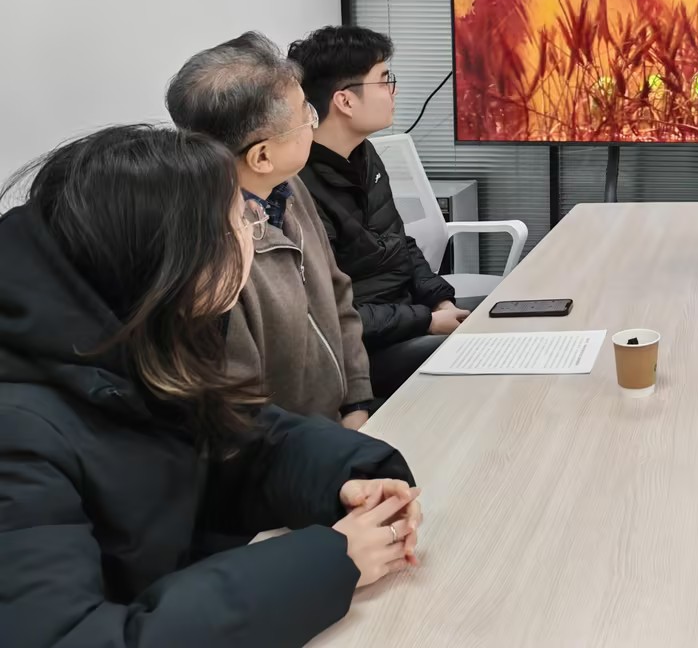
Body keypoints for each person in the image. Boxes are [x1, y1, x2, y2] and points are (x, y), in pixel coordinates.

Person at [0, 125, 423, 646]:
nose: (251, 231)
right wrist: (332, 562)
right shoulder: (18, 433)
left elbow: (243, 441)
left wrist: (351, 477)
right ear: (170, 257)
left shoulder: (133, 336)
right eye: (240, 219)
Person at [166, 32, 372, 426]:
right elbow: (243, 413)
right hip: (289, 445)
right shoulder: (215, 257)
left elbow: (338, 293)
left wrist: (357, 403)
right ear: (262, 156)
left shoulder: (287, 187)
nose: (313, 121)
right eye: (305, 116)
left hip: (340, 424)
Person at [287, 26, 472, 401]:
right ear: (345, 101)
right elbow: (329, 312)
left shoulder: (364, 154)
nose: (394, 91)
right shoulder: (299, 188)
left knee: (503, 319)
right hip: (364, 351)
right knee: (474, 354)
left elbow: (400, 242)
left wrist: (439, 300)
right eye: (385, 80)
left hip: (406, 316)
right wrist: (427, 321)